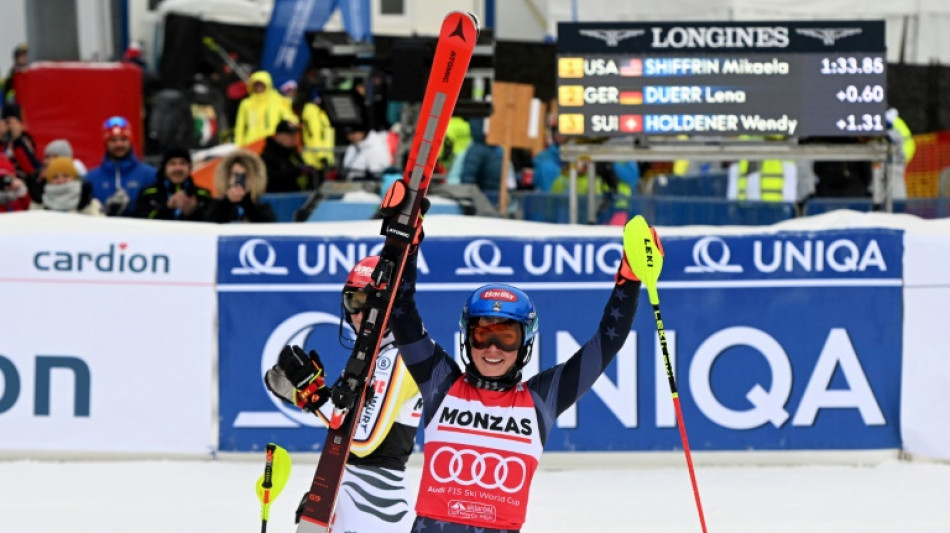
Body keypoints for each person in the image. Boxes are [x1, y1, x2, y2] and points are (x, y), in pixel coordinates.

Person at [388, 219, 654, 532]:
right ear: (466, 337)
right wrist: (404, 244)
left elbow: (606, 343)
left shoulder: (541, 399)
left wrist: (629, 280)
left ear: (525, 343)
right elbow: (401, 313)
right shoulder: (441, 383)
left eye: (507, 337)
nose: (492, 348)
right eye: (482, 334)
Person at [263, 256, 422, 531]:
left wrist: (314, 396)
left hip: (378, 511)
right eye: (352, 302)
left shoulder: (399, 355)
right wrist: (306, 396)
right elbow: (344, 421)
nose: (357, 314)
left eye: (367, 303)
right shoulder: (373, 354)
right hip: (348, 496)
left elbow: (362, 441)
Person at [85, 116, 157, 216]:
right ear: (106, 143)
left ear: (130, 141)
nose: (118, 144)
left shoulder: (150, 175)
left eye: (123, 139)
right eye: (113, 140)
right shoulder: (91, 178)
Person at [134, 147, 211, 220]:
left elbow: (212, 222)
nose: (178, 168)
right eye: (172, 164)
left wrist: (194, 211)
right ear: (165, 168)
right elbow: (140, 222)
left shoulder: (202, 194)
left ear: (189, 167)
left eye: (182, 163)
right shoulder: (148, 194)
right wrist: (167, 208)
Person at [204, 148, 276, 223]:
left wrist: (247, 203)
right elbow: (209, 226)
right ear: (228, 177)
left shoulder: (262, 207)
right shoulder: (218, 205)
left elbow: (268, 227)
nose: (239, 180)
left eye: (244, 176)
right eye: (235, 175)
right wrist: (227, 202)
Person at [280, 80, 335, 171]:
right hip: (314, 160)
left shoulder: (323, 112)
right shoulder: (311, 110)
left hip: (326, 158)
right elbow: (313, 134)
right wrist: (321, 155)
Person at [233, 70, 293, 147]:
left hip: (271, 141)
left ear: (267, 84)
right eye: (256, 84)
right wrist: (238, 145)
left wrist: (291, 121)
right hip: (251, 143)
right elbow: (240, 127)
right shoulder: (246, 104)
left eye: (261, 84)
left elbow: (287, 115)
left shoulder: (276, 100)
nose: (259, 87)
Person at [30, 156, 102, 215]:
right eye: (55, 177)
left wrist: (85, 207)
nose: (60, 180)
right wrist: (37, 203)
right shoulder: (41, 202)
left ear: (74, 178)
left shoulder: (88, 202)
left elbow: (97, 225)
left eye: (66, 176)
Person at [259, 119, 317, 193]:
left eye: (295, 134)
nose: (294, 138)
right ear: (278, 136)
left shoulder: (294, 155)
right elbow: (273, 178)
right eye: (290, 135)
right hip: (278, 200)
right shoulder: (268, 157)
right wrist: (297, 171)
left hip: (301, 198)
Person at [1, 103, 41, 183]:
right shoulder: (3, 140)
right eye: (6, 122)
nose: (9, 126)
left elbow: (31, 168)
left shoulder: (24, 139)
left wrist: (17, 139)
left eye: (13, 123)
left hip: (22, 181)